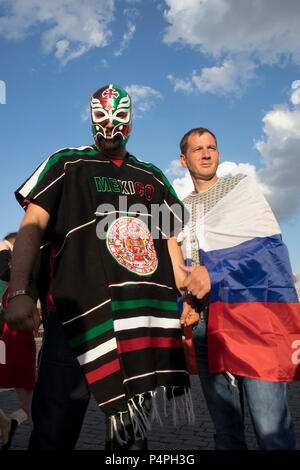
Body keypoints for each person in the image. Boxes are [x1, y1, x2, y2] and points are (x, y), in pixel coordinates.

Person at [4, 84, 194, 451]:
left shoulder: (152, 176)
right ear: (90, 119)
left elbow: (170, 237)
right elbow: (32, 225)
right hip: (75, 321)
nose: (110, 126)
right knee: (53, 436)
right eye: (101, 117)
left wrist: (184, 285)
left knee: (129, 442)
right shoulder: (66, 162)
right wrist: (21, 291)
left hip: (139, 320)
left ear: (132, 119)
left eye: (119, 116)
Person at [178, 127, 300, 450]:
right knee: (227, 434)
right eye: (198, 149)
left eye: (212, 148)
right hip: (207, 327)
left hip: (251, 319)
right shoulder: (177, 209)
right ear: (183, 159)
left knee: (271, 429)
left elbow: (270, 250)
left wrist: (214, 274)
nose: (206, 154)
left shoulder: (240, 189)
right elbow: (182, 265)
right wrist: (186, 300)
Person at [0, 233, 36, 451]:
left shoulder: (26, 275)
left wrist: (5, 248)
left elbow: (5, 270)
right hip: (3, 341)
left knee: (26, 400)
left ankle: (39, 437)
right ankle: (5, 424)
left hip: (18, 340)